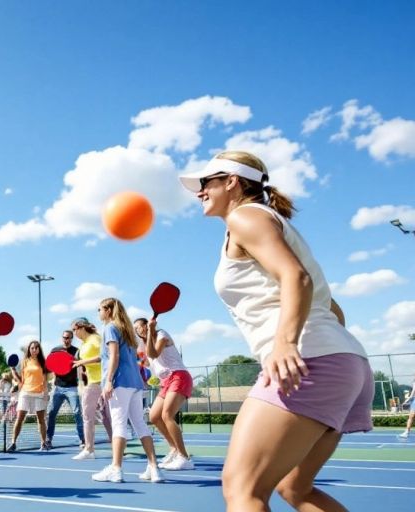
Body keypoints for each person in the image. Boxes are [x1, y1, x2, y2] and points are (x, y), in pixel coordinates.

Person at [179, 150, 373, 510]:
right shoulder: (267, 223)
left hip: (310, 361)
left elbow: (295, 278)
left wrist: (285, 344)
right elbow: (332, 309)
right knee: (295, 489)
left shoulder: (246, 217)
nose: (199, 191)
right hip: (346, 361)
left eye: (206, 182)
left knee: (242, 490)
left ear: (231, 181)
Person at [92, 298, 164, 484]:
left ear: (108, 311)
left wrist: (108, 381)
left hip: (120, 382)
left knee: (119, 425)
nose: (98, 312)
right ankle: (154, 468)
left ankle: (116, 469)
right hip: (135, 383)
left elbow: (114, 355)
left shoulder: (110, 328)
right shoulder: (128, 331)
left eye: (99, 309)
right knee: (140, 424)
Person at [135, 317, 194, 470]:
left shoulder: (161, 334)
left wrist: (150, 334)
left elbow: (153, 353)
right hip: (166, 381)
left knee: (167, 415)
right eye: (135, 329)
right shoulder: (144, 343)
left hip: (179, 376)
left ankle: (184, 457)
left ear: (147, 326)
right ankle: (174, 449)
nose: (137, 330)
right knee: (154, 416)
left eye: (139, 327)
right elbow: (148, 361)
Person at [70, 317, 114, 460]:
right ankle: (97, 448)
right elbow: (88, 365)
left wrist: (82, 361)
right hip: (93, 382)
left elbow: (104, 356)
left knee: (95, 416)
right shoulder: (83, 345)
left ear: (82, 327)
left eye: (74, 329)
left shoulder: (95, 339)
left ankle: (90, 449)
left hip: (102, 382)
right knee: (98, 416)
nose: (74, 333)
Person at [45, 330, 85, 449]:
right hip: (57, 387)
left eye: (68, 338)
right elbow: (50, 366)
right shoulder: (55, 350)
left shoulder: (76, 351)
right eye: (64, 337)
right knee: (51, 413)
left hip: (72, 388)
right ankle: (48, 439)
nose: (66, 340)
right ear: (61, 338)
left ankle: (83, 440)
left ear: (71, 338)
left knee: (77, 413)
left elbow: (82, 365)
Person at [9, 340, 51, 451]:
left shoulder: (43, 362)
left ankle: (43, 443)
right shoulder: (24, 361)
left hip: (39, 393)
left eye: (36, 348)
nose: (34, 350)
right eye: (32, 348)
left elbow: (45, 380)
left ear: (39, 350)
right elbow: (18, 378)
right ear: (29, 349)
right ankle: (13, 443)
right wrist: (13, 371)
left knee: (41, 420)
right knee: (19, 418)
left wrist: (46, 393)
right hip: (25, 393)